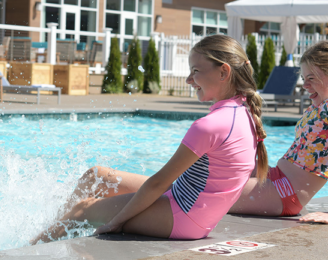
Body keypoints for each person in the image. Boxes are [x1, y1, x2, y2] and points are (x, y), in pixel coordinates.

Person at [32, 35, 268, 243]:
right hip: (190, 206)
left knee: (82, 210)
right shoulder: (244, 112)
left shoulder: (210, 125)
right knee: (96, 176)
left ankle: (31, 248)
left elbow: (158, 183)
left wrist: (116, 222)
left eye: (195, 71)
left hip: (184, 218)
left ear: (223, 72)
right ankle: (55, 229)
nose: (188, 80)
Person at [228, 41, 328, 224]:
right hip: (276, 177)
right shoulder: (320, 106)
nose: (305, 85)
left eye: (312, 78)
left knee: (202, 190)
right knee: (203, 171)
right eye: (304, 78)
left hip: (285, 191)